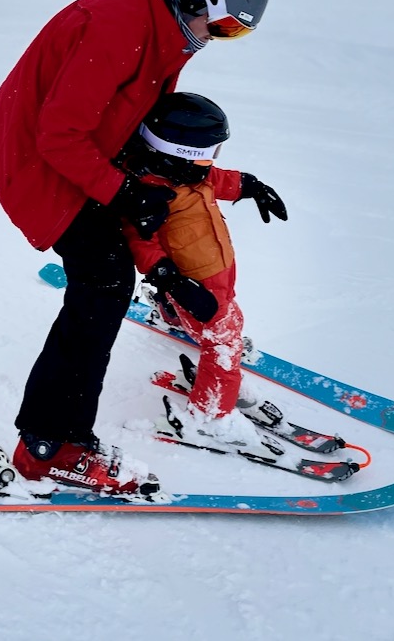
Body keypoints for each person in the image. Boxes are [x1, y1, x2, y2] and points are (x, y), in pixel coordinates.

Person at [0, 0, 271, 497]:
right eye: (226, 24)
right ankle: (49, 448)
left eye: (236, 32)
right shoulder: (118, 27)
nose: (221, 38)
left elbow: (136, 124)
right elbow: (57, 136)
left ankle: (169, 302)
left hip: (80, 152)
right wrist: (122, 192)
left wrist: (219, 180)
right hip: (36, 164)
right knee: (103, 282)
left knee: (143, 230)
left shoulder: (167, 31)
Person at [119, 91, 287, 450]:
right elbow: (140, 242)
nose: (214, 160)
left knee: (213, 313)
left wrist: (251, 185)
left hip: (215, 273)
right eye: (210, 151)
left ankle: (173, 314)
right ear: (181, 151)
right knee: (223, 344)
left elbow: (220, 179)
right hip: (197, 284)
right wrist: (172, 281)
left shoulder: (194, 175)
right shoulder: (148, 194)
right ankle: (211, 417)